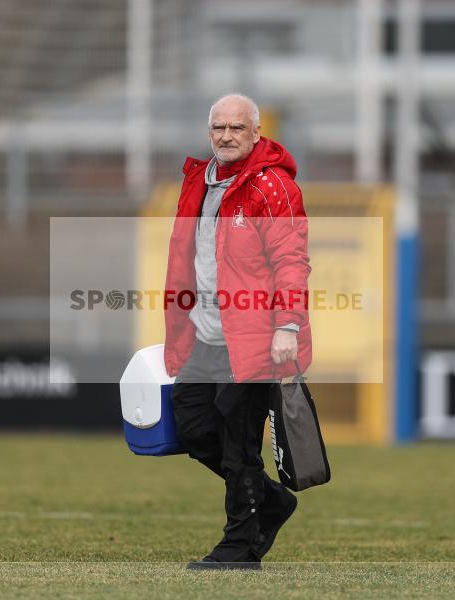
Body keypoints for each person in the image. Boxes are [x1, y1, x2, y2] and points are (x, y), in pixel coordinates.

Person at [164, 94, 312, 570]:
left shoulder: (273, 186)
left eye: (236, 128)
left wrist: (286, 325)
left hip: (253, 339)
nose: (226, 136)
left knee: (238, 444)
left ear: (256, 132)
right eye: (218, 128)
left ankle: (240, 547)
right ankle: (271, 501)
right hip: (205, 335)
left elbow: (291, 261)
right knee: (193, 427)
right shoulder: (199, 180)